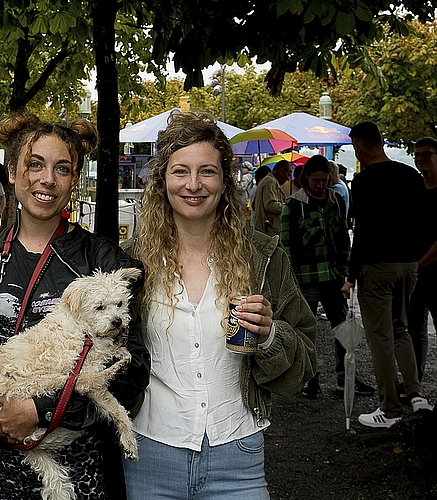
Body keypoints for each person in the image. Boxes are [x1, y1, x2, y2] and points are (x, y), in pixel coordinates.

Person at [0, 112, 149, 499]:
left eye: (62, 169)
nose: (47, 179)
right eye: (34, 164)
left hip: (76, 465)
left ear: (73, 181)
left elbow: (132, 366)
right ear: (13, 173)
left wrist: (43, 409)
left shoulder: (100, 259)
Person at [123, 111, 316, 499]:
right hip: (148, 455)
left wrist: (269, 335)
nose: (193, 185)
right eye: (180, 171)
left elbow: (305, 363)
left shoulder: (262, 257)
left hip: (237, 458)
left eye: (207, 172)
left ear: (226, 181)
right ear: (161, 180)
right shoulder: (131, 264)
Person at [343, 121, 432, 429]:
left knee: (381, 339)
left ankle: (390, 409)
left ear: (359, 148)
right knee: (402, 330)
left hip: (376, 266)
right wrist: (414, 260)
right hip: (408, 265)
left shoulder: (364, 181)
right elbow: (423, 224)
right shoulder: (411, 176)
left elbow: (363, 232)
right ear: (381, 141)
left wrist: (351, 275)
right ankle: (416, 393)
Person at [280, 154, 374, 399]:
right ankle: (311, 381)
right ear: (306, 178)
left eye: (324, 180)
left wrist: (346, 270)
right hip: (305, 278)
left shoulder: (334, 200)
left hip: (333, 276)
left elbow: (343, 237)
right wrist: (290, 280)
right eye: (316, 180)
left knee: (343, 330)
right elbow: (286, 246)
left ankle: (346, 379)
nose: (320, 185)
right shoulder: (293, 205)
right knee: (306, 334)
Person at [408, 137, 437, 382]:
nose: (421, 159)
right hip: (415, 273)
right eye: (417, 155)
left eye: (426, 154)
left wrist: (417, 264)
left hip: (430, 270)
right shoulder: (416, 189)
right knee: (415, 329)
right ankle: (414, 383)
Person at [253, 159, 292, 236]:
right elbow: (270, 205)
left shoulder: (270, 181)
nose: (288, 179)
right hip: (268, 230)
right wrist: (287, 206)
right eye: (288, 174)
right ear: (281, 171)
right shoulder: (270, 182)